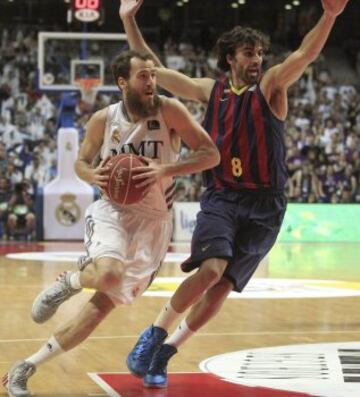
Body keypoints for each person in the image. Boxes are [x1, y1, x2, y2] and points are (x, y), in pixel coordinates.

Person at [120, 0, 350, 389]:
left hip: (268, 204)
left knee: (223, 288)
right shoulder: (212, 91)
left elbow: (306, 53)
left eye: (260, 52)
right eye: (249, 52)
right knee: (211, 271)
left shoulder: (273, 84)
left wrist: (329, 16)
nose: (257, 58)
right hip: (223, 196)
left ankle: (167, 352)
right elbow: (153, 71)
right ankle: (153, 334)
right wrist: (128, 19)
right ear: (230, 58)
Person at [3, 50, 219, 397]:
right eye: (143, 76)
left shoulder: (171, 111)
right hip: (113, 212)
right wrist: (94, 175)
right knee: (106, 274)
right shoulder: (104, 120)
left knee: (97, 312)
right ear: (123, 83)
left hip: (154, 225)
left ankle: (26, 366)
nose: (151, 82)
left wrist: (166, 169)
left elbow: (210, 154)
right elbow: (82, 163)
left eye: (153, 75)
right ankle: (72, 280)